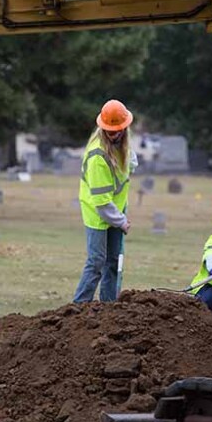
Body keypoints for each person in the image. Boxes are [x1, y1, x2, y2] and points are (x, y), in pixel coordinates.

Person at [74, 99, 137, 303]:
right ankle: (78, 307)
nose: (114, 135)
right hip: (98, 214)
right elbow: (101, 203)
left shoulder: (123, 147)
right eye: (110, 132)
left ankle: (109, 309)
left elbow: (126, 168)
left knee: (113, 261)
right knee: (97, 262)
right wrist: (121, 221)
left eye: (117, 131)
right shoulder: (98, 157)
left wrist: (130, 162)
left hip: (115, 210)